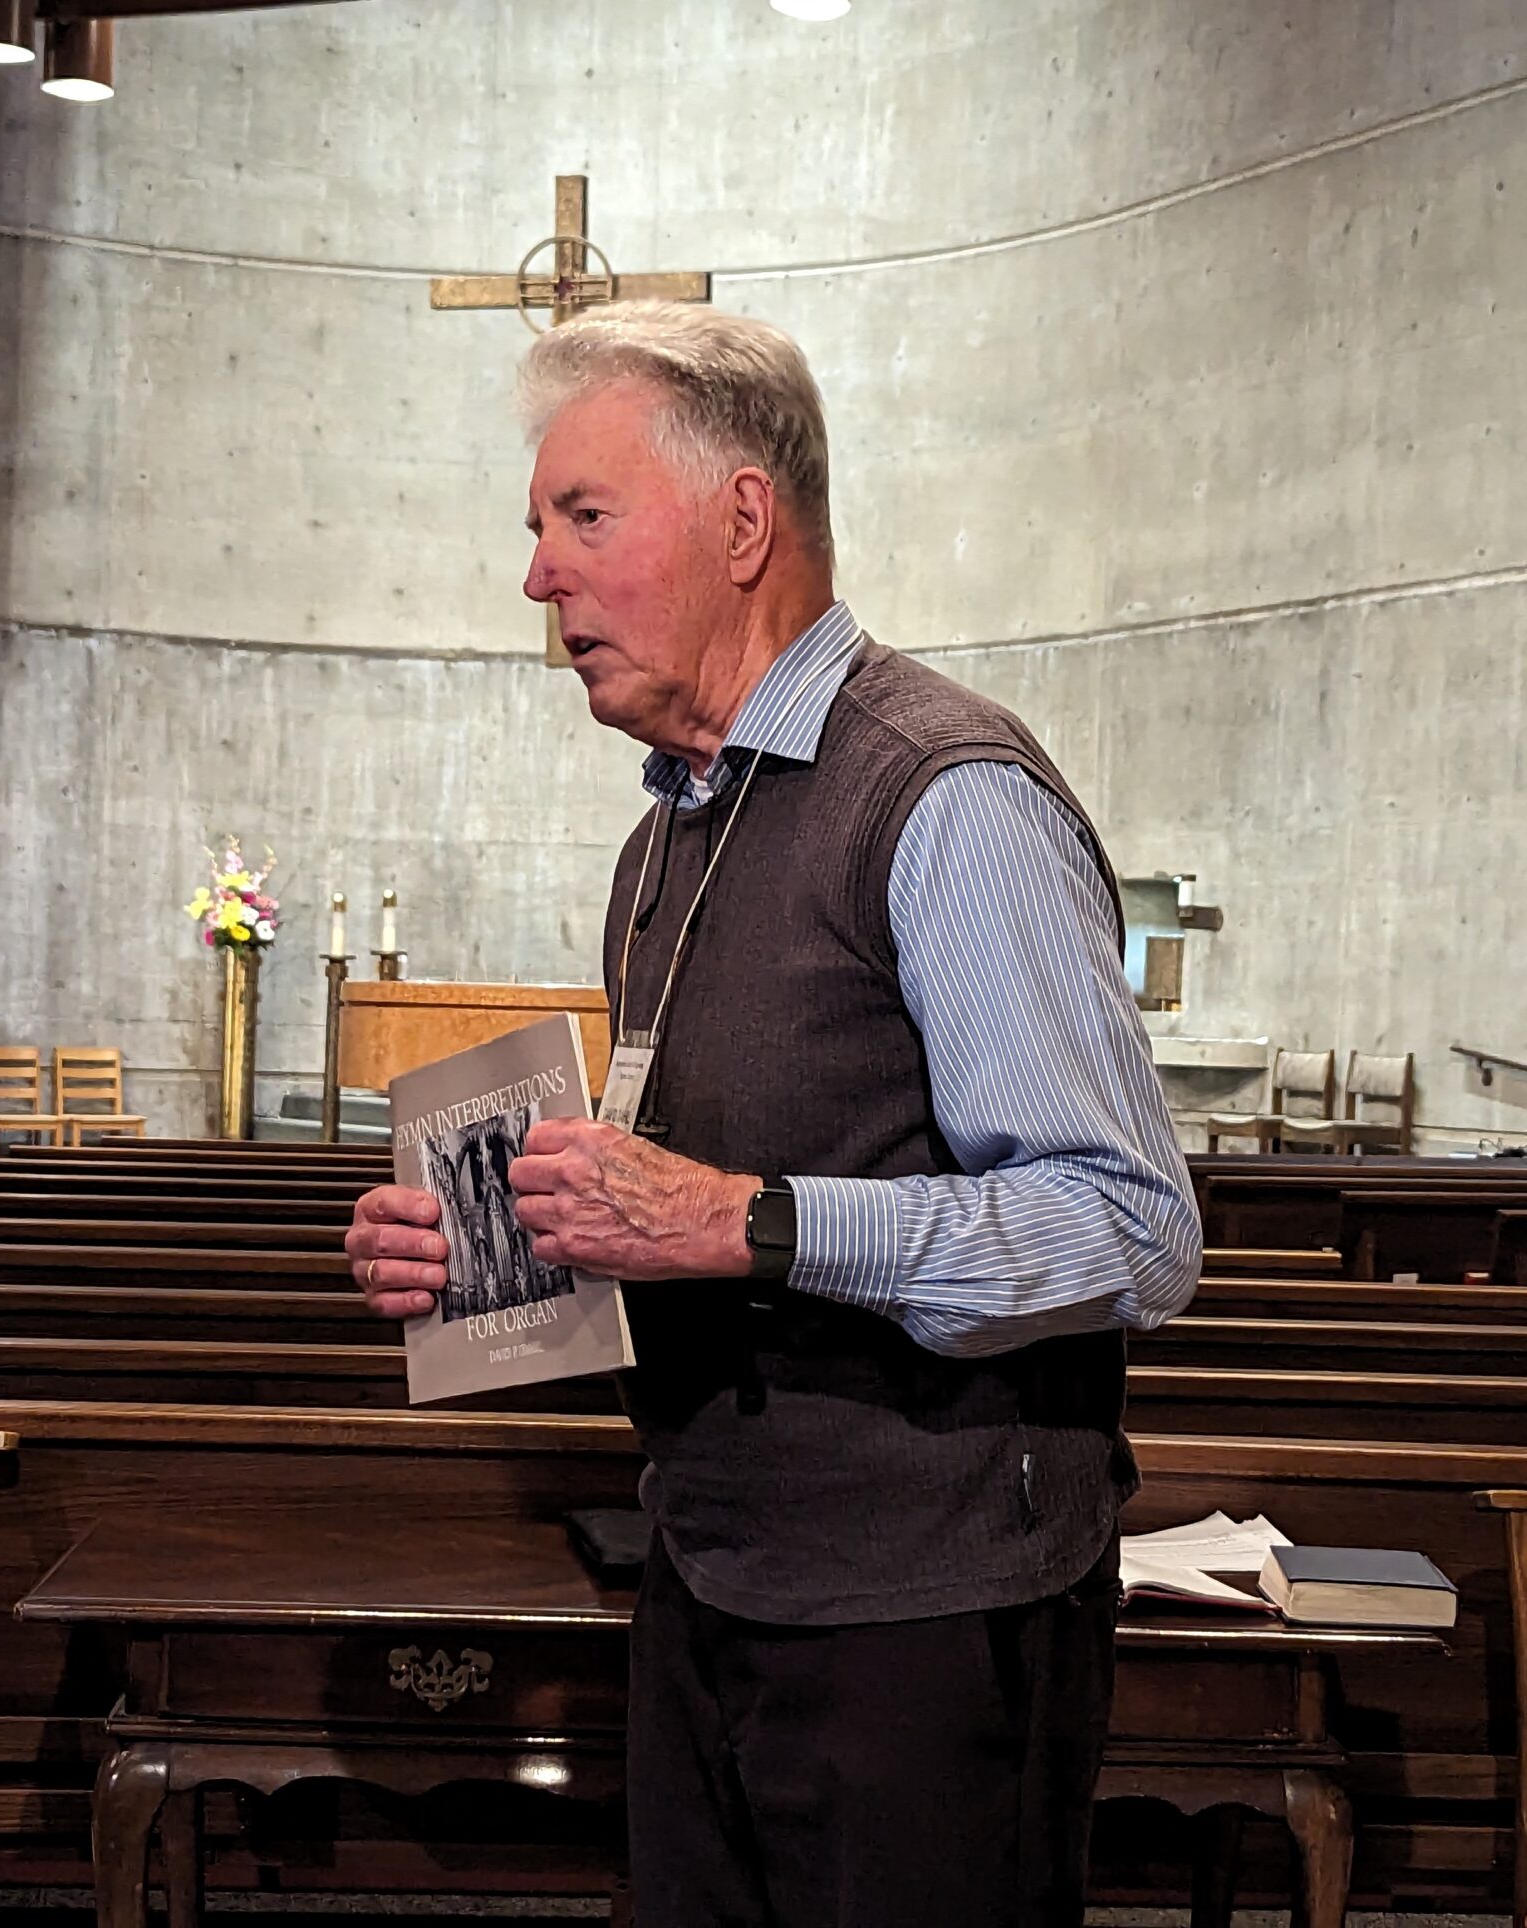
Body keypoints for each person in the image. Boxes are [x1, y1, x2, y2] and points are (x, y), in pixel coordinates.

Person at [346, 301, 1204, 1927]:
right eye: (534, 528)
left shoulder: (943, 798)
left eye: (581, 518)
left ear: (745, 519)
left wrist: (749, 1219)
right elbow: (672, 1198)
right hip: (716, 1575)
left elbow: (1131, 1233)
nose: (538, 576)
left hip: (926, 1623)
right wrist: (496, 1252)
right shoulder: (669, 833)